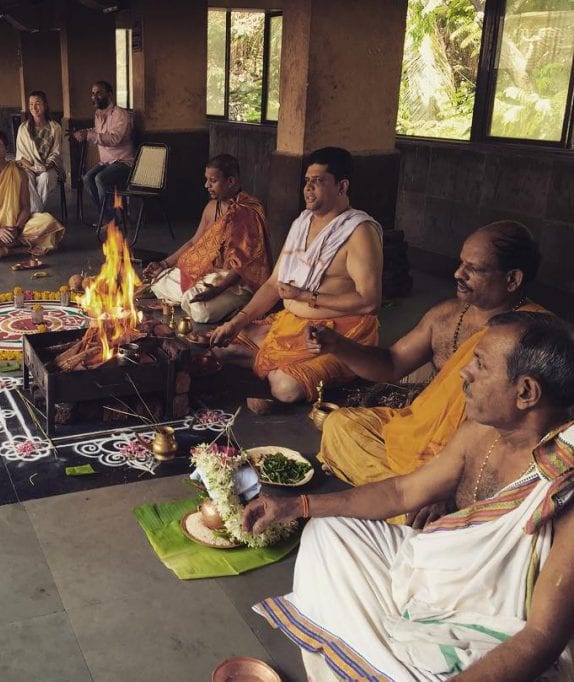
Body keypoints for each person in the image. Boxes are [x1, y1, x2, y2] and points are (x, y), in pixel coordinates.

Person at [244, 312, 574, 681]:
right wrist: (296, 506)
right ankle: (384, 662)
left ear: (526, 392)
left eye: (480, 364)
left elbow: (542, 637)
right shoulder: (479, 431)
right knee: (328, 532)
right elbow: (402, 491)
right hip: (438, 572)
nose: (464, 372)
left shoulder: (564, 482)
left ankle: (374, 660)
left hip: (492, 621)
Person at [313, 221, 546, 500]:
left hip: (473, 457)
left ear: (512, 279)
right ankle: (415, 497)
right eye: (461, 263)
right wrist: (337, 345)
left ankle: (417, 497)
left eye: (474, 269)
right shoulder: (445, 315)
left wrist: (453, 472)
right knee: (340, 426)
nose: (458, 273)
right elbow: (392, 363)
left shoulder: (534, 335)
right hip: (418, 436)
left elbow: (523, 432)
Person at [209, 147, 383, 405]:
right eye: (306, 181)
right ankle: (276, 361)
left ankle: (342, 365)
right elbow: (273, 285)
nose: (308, 188)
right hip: (292, 322)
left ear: (342, 187)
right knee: (221, 347)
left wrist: (305, 295)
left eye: (318, 181)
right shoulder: (302, 222)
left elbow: (369, 302)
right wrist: (235, 323)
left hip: (339, 332)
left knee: (285, 388)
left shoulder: (359, 232)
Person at [143, 154, 269, 323]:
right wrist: (164, 263)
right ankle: (192, 297)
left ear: (230, 181)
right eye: (206, 180)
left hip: (234, 283)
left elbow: (243, 267)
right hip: (206, 273)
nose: (206, 185)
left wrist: (217, 290)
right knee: (158, 280)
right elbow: (194, 242)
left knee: (200, 311)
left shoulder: (247, 211)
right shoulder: (212, 207)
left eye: (213, 181)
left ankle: (239, 304)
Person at [0, 130, 64, 261]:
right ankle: (16, 249)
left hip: (16, 225)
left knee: (48, 221)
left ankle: (7, 245)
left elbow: (26, 207)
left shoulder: (19, 172)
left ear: (6, 148)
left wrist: (17, 229)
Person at [72, 80, 134, 225]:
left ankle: (111, 221)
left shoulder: (120, 114)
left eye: (99, 93)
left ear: (109, 94)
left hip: (123, 162)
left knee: (100, 178)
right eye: (93, 94)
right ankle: (107, 217)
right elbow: (98, 132)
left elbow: (114, 138)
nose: (94, 96)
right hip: (106, 163)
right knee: (88, 178)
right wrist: (85, 132)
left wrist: (89, 136)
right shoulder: (98, 114)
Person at [16, 90, 64, 213]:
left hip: (49, 168)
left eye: (37, 103)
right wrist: (32, 167)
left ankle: (34, 213)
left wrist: (46, 167)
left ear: (45, 105)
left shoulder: (55, 127)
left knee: (45, 178)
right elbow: (21, 155)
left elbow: (56, 152)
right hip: (28, 167)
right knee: (26, 177)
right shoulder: (24, 128)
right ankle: (38, 214)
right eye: (31, 104)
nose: (34, 107)